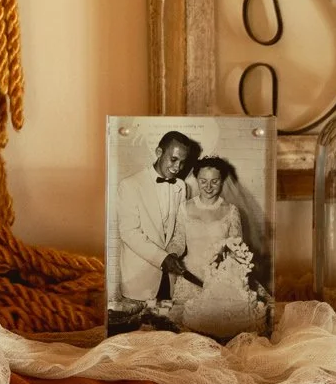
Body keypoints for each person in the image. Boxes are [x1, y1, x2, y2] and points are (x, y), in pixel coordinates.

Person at [111, 130, 200, 326]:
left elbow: (179, 229)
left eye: (183, 162)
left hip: (169, 282)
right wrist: (163, 258)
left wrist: (175, 254)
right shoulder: (130, 185)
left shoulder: (181, 187)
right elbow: (129, 233)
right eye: (173, 159)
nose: (177, 167)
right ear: (159, 151)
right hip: (139, 283)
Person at [175, 155, 270, 339]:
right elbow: (178, 242)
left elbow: (237, 248)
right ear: (196, 179)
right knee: (189, 335)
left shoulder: (231, 210)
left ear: (222, 181)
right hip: (190, 278)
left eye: (214, 181)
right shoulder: (184, 208)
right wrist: (169, 255)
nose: (208, 187)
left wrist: (224, 275)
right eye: (203, 181)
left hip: (220, 280)